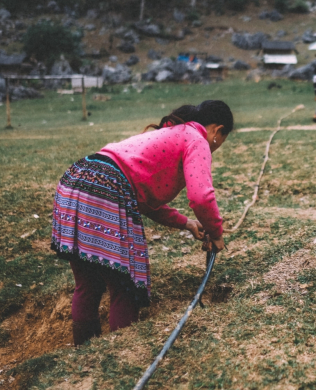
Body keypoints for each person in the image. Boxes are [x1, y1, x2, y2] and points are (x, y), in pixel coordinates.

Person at [51, 100, 233, 346]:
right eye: (222, 140)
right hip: (107, 189)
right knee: (125, 286)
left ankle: (83, 357)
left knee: (88, 283)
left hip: (77, 179)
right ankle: (122, 353)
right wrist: (216, 232)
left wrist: (188, 224)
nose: (217, 146)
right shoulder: (197, 138)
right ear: (217, 130)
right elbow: (201, 196)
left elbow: (144, 201)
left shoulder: (170, 134)